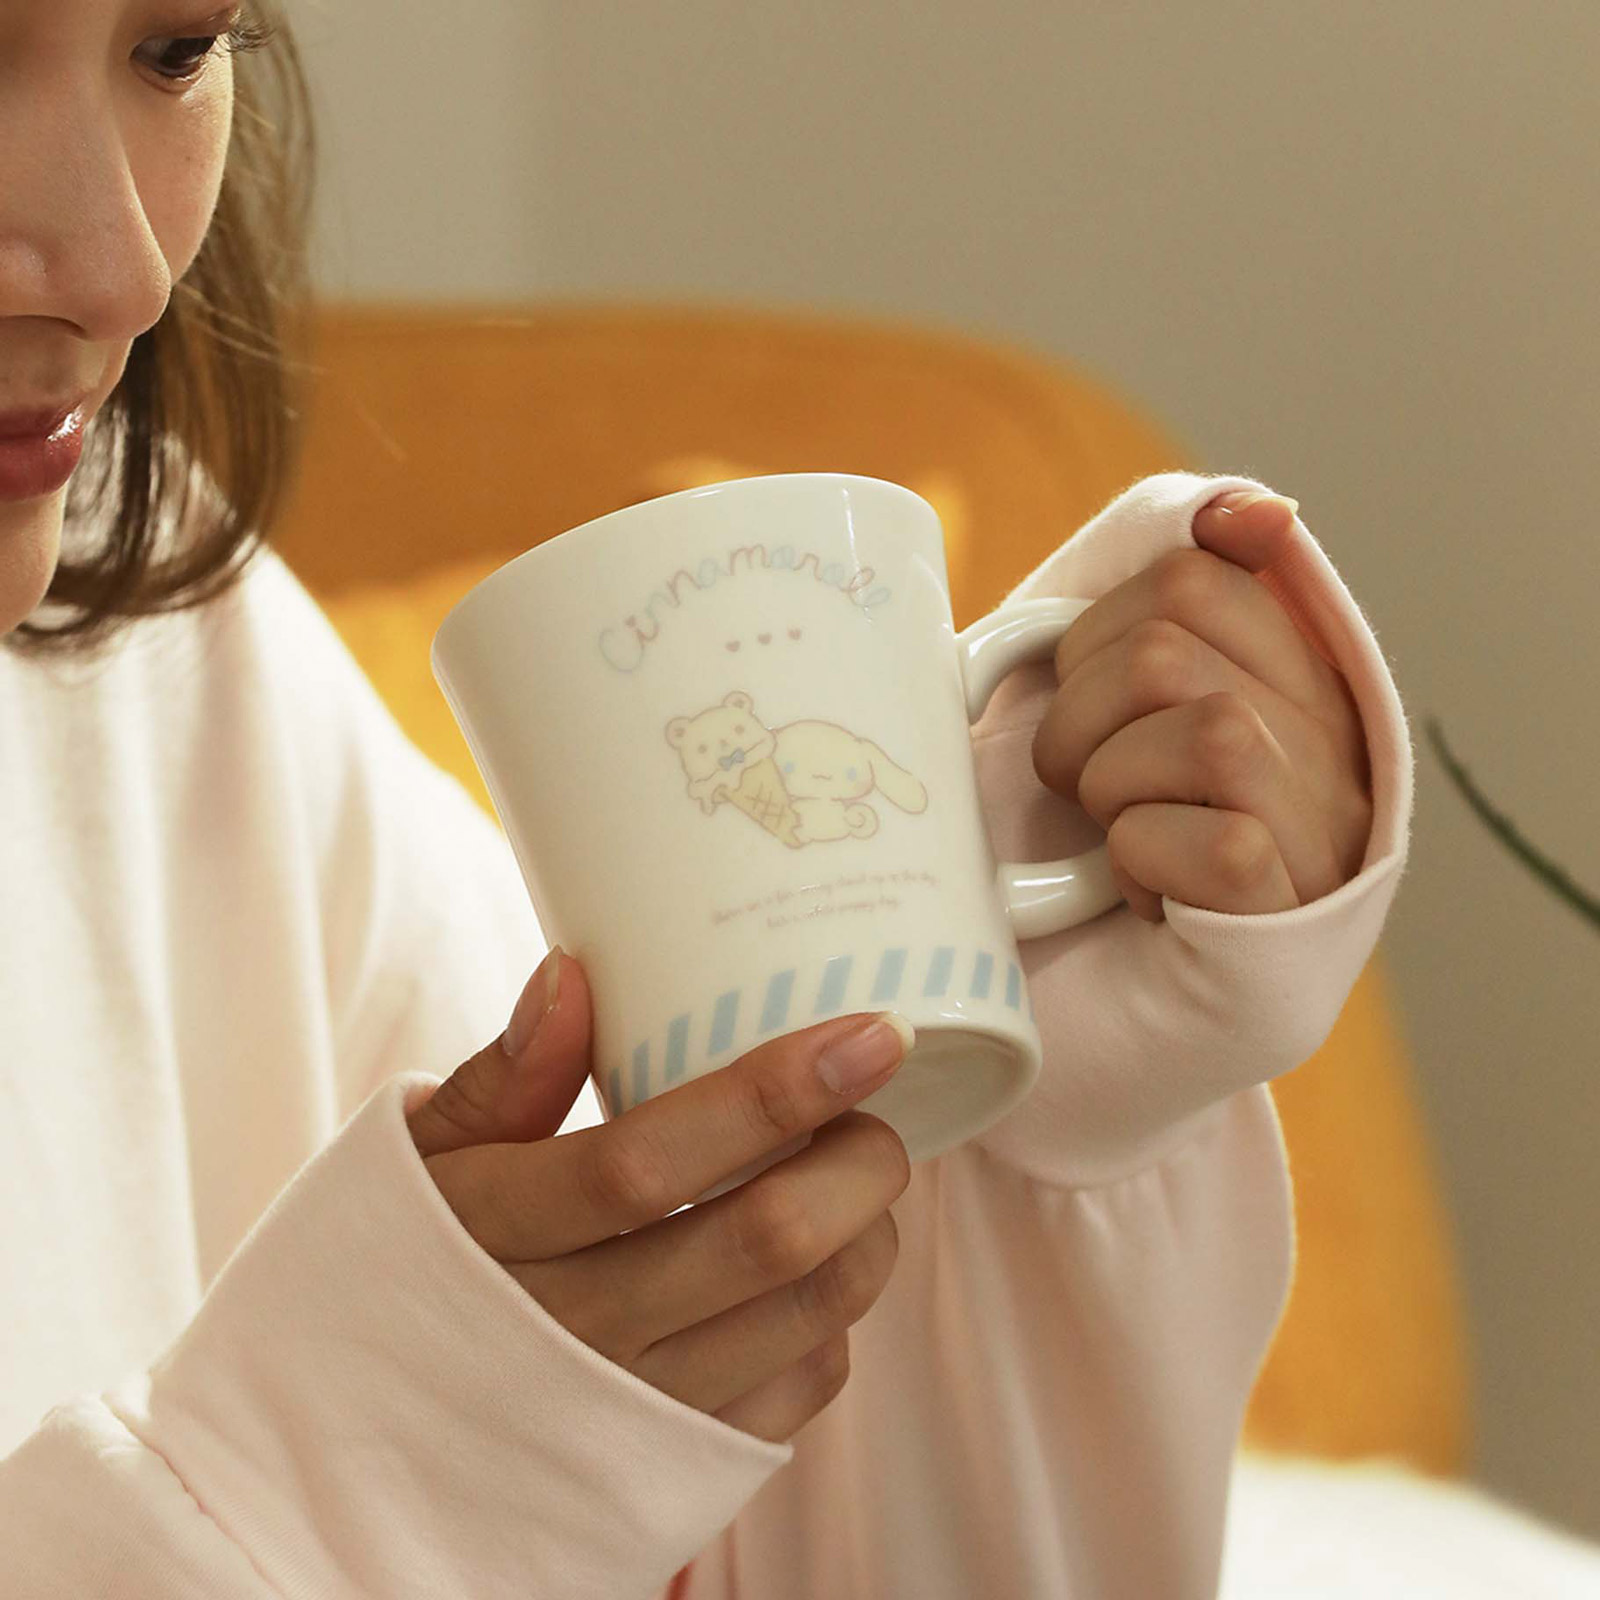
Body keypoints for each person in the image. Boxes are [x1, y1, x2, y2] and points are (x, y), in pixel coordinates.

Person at [0, 3, 1407, 1597]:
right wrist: (330, 1487)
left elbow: (744, 1511)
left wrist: (1052, 1037)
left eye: (178, 48)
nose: (122, 273)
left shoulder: (165, 661)